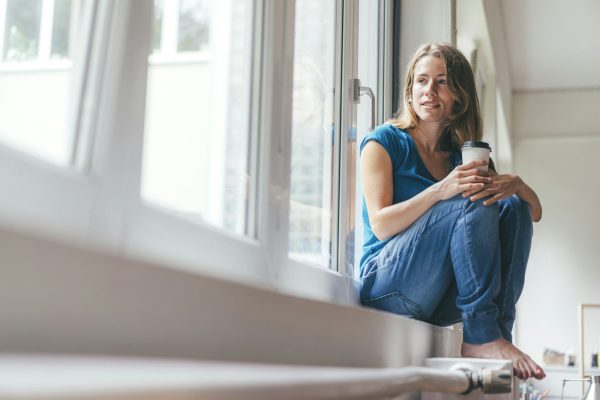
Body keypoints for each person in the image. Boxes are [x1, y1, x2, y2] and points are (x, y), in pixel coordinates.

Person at [358, 43, 545, 380]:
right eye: (421, 80)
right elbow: (381, 224)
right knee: (468, 198)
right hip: (387, 286)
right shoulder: (382, 142)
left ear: (459, 96)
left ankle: (495, 333)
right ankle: (481, 335)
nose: (430, 90)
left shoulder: (462, 158)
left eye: (442, 82)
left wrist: (517, 184)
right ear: (410, 90)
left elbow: (532, 214)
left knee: (512, 206)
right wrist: (442, 189)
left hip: (437, 296)